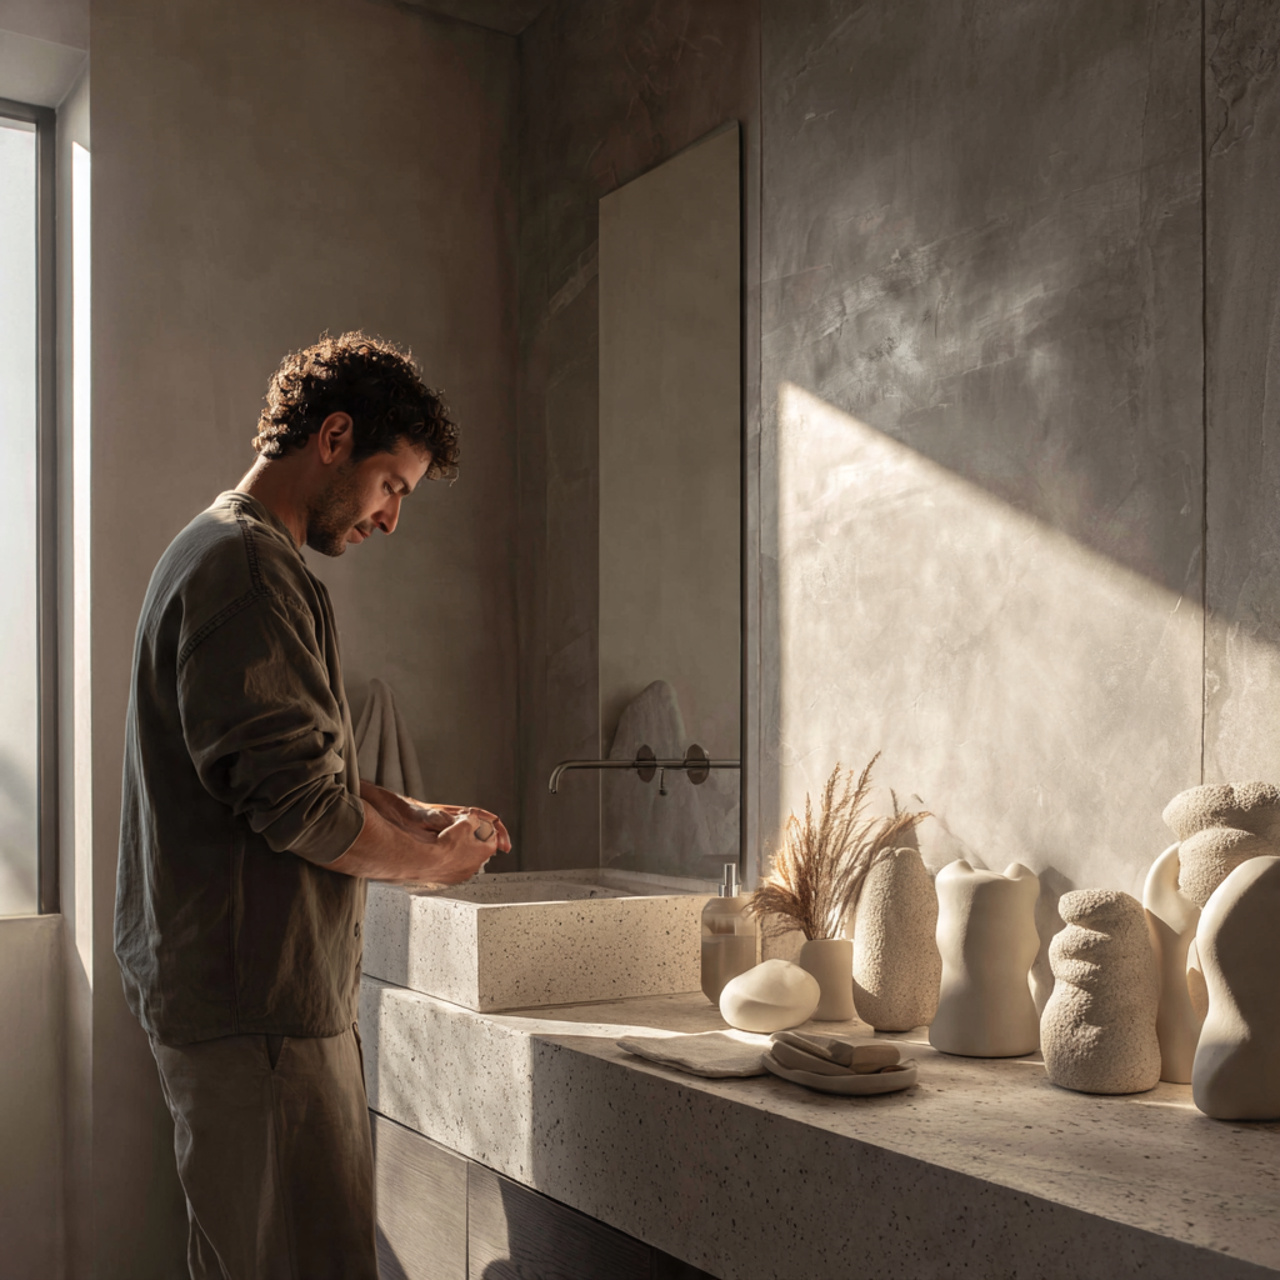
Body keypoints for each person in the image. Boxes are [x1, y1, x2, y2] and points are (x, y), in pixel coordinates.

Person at [114, 331, 507, 1280]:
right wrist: (438, 865)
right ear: (334, 439)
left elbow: (291, 772)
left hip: (254, 1005)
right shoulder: (245, 570)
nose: (391, 518)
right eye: (391, 485)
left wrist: (409, 814)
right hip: (261, 1016)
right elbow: (302, 812)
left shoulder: (237, 555)